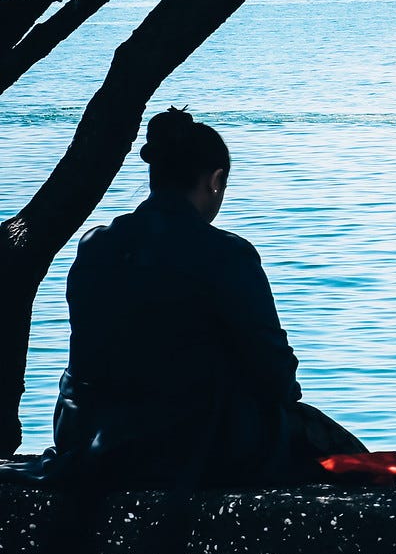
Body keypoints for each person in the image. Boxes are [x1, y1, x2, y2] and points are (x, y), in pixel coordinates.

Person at [33, 107, 363, 488]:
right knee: (331, 446)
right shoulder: (226, 254)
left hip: (85, 432)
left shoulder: (95, 246)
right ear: (215, 180)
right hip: (184, 442)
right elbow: (272, 370)